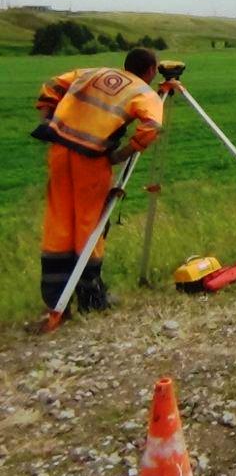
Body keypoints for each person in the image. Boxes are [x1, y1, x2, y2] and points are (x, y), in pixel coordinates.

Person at [31, 48, 165, 314]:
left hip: (59, 151)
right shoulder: (144, 92)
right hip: (91, 159)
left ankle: (56, 298)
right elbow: (151, 126)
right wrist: (121, 154)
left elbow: (52, 85)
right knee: (88, 222)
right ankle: (90, 297)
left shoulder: (95, 72)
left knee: (59, 219)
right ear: (151, 70)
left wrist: (50, 121)